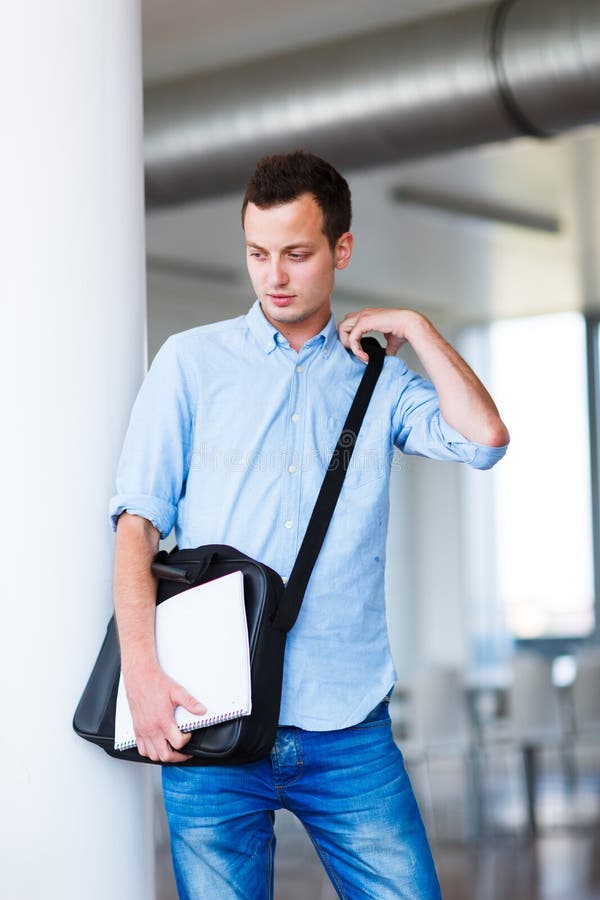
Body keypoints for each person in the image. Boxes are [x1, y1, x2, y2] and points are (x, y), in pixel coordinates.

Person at [110, 150, 509, 899]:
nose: (275, 276)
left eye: (296, 254)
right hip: (209, 718)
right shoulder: (190, 364)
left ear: (340, 249)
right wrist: (142, 676)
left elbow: (485, 440)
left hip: (348, 726)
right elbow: (137, 526)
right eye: (258, 254)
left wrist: (416, 327)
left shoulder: (379, 379)